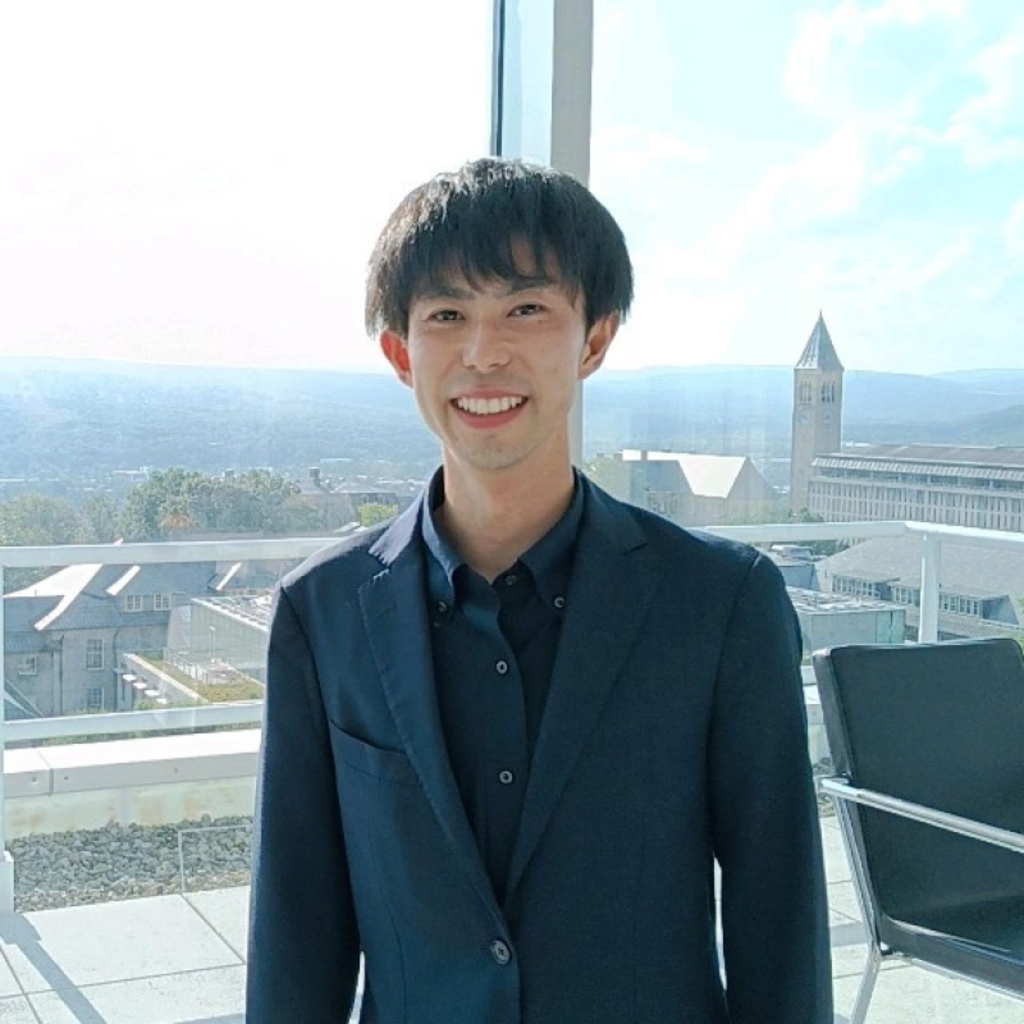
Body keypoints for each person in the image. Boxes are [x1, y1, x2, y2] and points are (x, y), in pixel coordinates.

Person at [246, 157, 833, 1022]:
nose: (485, 353)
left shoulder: (722, 603)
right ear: (402, 354)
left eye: (525, 308)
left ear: (594, 337)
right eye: (448, 315)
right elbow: (297, 933)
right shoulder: (322, 612)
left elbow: (778, 920)